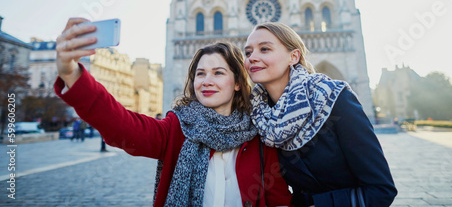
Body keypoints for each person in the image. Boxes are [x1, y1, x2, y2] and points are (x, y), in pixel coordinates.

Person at [54, 18, 292, 207]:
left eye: (218, 73)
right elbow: (122, 126)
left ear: (238, 83)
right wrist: (71, 74)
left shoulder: (259, 135)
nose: (207, 81)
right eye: (200, 74)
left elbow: (278, 198)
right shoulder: (176, 129)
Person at [244, 22, 397, 207]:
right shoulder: (260, 116)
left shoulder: (334, 99)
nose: (252, 57)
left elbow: (381, 190)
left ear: (293, 56)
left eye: (265, 49)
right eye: (248, 52)